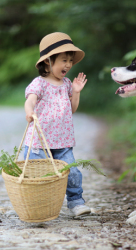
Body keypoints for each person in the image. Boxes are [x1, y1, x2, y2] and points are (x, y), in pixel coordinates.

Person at [24, 32, 91, 216]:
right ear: (48, 61)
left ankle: (76, 203)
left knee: (73, 173)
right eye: (63, 60)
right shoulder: (40, 83)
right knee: (38, 178)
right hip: (39, 143)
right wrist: (29, 111)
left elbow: (72, 109)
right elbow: (30, 100)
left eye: (70, 60)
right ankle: (38, 207)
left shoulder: (67, 84)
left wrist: (76, 92)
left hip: (62, 142)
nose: (68, 64)